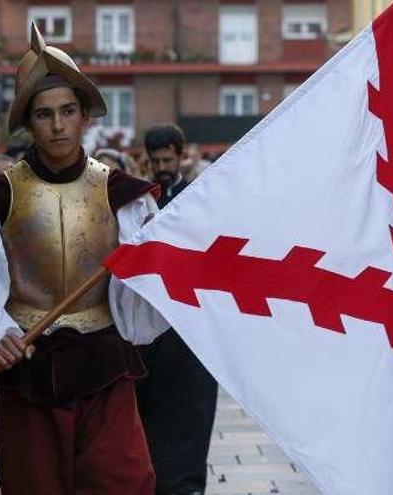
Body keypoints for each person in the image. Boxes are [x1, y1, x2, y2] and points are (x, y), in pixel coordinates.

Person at [0, 24, 165, 493]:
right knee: (34, 486)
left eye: (67, 111)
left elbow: (149, 285)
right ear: (28, 122)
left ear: (85, 117)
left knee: (123, 481)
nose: (58, 125)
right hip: (28, 365)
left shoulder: (124, 196)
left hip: (104, 360)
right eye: (44, 114)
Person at [136, 123, 218, 495]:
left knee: (189, 418)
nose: (162, 167)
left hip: (189, 330)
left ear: (181, 154)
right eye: (155, 161)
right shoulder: (139, 199)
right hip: (149, 332)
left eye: (168, 159)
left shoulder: (199, 198)